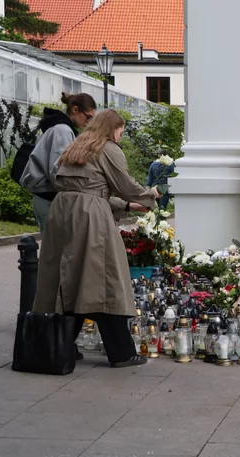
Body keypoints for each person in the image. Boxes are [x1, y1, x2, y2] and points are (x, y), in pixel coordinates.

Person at [33, 109, 160, 369]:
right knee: (103, 277)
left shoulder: (74, 148)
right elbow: (124, 184)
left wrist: (127, 206)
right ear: (111, 128)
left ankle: (60, 344)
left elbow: (83, 188)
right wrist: (149, 196)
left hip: (62, 213)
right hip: (89, 218)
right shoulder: (108, 149)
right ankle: (121, 352)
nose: (120, 139)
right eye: (120, 133)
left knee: (67, 277)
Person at [20, 92, 97, 232]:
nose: (88, 122)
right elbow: (60, 170)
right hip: (49, 198)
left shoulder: (59, 127)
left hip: (45, 196)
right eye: (89, 117)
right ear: (75, 109)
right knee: (57, 249)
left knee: (54, 247)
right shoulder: (63, 130)